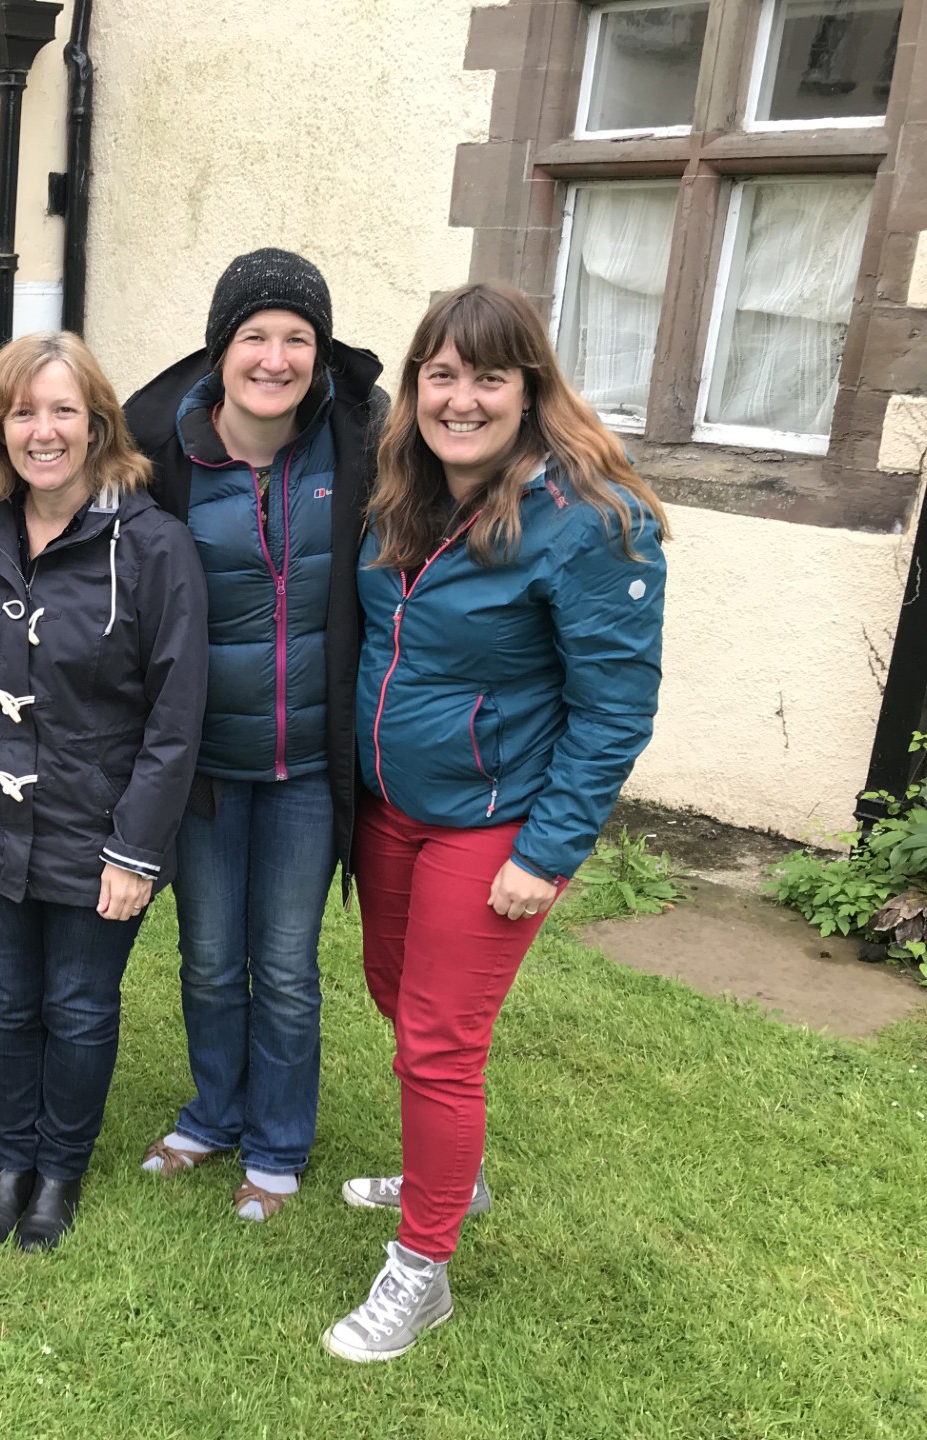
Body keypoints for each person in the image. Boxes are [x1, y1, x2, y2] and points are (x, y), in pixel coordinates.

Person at [322, 281, 667, 1362]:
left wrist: (546, 853)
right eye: (441, 374)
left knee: (438, 1042)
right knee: (394, 993)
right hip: (390, 810)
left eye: (487, 376)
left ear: (530, 388)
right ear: (416, 385)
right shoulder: (401, 492)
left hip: (494, 823)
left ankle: (421, 1272)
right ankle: (446, 1178)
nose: (460, 398)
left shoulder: (595, 522)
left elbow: (614, 711)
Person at [122, 249, 385, 1220]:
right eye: (255, 337)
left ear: (319, 354)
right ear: (221, 346)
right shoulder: (158, 451)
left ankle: (277, 1145)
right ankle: (212, 1114)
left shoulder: (358, 440)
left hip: (309, 770)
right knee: (204, 955)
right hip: (202, 766)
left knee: (282, 965)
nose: (275, 358)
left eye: (297, 338)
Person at [0, 332, 207, 1251]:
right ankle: (11, 1160)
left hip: (100, 825)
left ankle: (59, 1172)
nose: (42, 431)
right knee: (6, 1002)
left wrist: (138, 849)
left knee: (80, 1007)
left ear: (97, 425)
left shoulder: (154, 546)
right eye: (22, 411)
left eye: (63, 411)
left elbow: (177, 714)